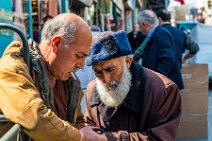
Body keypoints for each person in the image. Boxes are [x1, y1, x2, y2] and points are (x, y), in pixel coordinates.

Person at [0, 13, 92, 141]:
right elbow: (33, 116)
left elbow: (78, 121)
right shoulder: (16, 63)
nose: (82, 66)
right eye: (79, 55)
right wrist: (81, 136)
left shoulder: (69, 81)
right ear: (56, 43)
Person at [80, 30, 182, 141]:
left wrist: (105, 139)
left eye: (110, 69)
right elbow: (89, 124)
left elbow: (160, 138)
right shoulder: (92, 88)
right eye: (98, 72)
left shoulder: (164, 90)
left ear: (128, 62)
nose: (106, 79)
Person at [133, 9, 184, 90]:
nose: (139, 27)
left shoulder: (161, 33)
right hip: (161, 85)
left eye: (139, 24)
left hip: (164, 87)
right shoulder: (155, 33)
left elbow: (168, 61)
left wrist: (154, 79)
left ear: (144, 24)